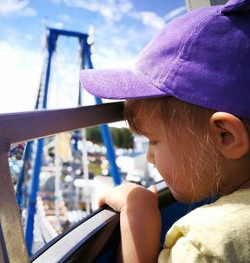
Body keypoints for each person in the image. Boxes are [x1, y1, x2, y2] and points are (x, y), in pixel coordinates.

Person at [79, 0, 250, 261]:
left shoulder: (207, 243)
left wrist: (138, 217)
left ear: (226, 136)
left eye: (154, 141)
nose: (148, 157)